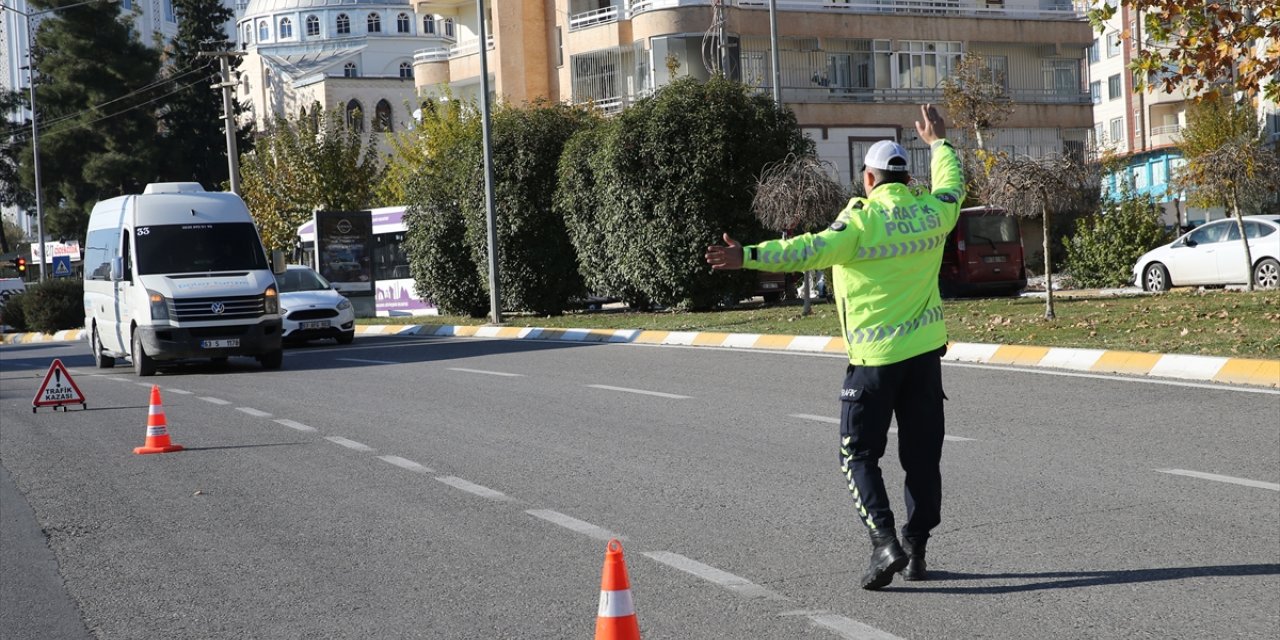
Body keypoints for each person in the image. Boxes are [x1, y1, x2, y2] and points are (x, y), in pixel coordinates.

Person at [705, 104, 964, 591]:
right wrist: (938, 142)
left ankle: (885, 543)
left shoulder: (860, 224)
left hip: (873, 366)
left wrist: (748, 256)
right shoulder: (933, 213)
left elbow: (805, 248)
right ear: (906, 180)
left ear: (868, 179)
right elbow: (952, 185)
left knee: (858, 456)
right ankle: (917, 551)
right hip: (925, 361)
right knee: (923, 458)